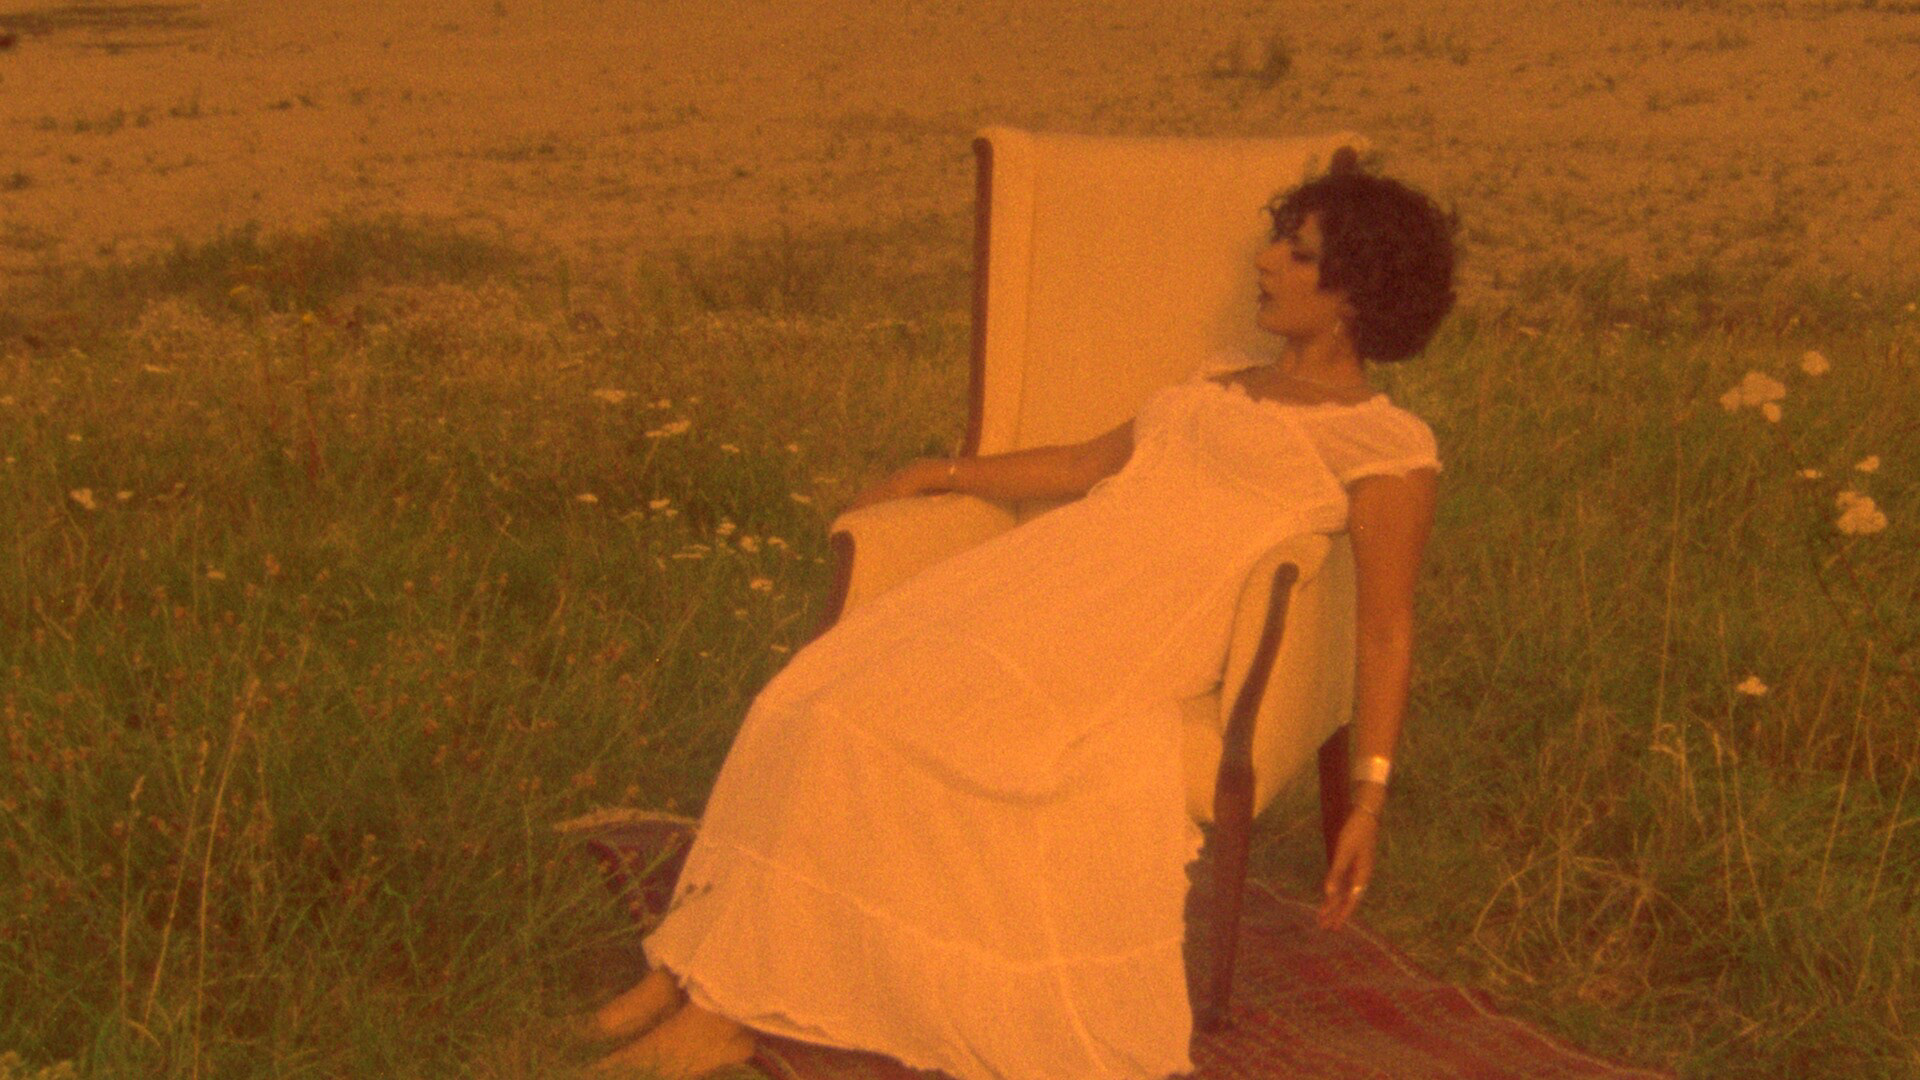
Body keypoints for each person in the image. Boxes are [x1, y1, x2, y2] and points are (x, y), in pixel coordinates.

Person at [584, 160, 1457, 1079]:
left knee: (901, 730)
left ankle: (725, 1013)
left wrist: (1369, 799)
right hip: (1045, 578)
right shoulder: (1217, 382)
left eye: (1298, 252)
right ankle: (690, 963)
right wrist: (940, 473)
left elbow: (1386, 628)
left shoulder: (1381, 442)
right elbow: (1083, 466)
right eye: (1279, 239)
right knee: (814, 696)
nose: (1268, 260)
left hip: (1136, 624)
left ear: (1356, 293)